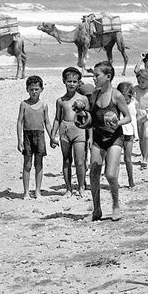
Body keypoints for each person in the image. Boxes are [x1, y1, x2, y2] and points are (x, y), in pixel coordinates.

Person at [86, 61, 130, 221]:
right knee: (94, 174)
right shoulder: (95, 95)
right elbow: (91, 118)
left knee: (110, 175)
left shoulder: (116, 95)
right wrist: (88, 132)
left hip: (114, 138)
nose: (94, 78)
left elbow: (128, 117)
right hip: (98, 138)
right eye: (93, 75)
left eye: (97, 75)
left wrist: (117, 122)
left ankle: (115, 205)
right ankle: (97, 210)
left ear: (108, 76)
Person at [16, 75, 56, 200]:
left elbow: (47, 123)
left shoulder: (44, 105)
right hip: (27, 135)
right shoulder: (24, 104)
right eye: (31, 89)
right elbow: (20, 122)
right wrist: (19, 140)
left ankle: (38, 191)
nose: (34, 92)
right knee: (27, 165)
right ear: (27, 89)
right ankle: (26, 192)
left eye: (36, 89)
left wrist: (52, 137)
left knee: (39, 164)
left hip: (40, 136)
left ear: (41, 89)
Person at [51, 68, 89, 198]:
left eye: (74, 81)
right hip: (65, 130)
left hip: (79, 130)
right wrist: (52, 134)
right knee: (66, 160)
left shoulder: (83, 99)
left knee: (80, 161)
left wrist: (90, 137)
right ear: (64, 81)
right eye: (69, 81)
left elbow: (89, 118)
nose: (72, 84)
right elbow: (57, 118)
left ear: (79, 82)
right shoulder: (61, 101)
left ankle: (81, 186)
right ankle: (68, 188)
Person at [116, 81, 136, 188]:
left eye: (126, 98)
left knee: (128, 159)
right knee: (117, 159)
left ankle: (131, 180)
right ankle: (116, 181)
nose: (125, 100)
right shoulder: (116, 104)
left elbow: (135, 120)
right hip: (118, 133)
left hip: (129, 134)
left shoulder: (133, 103)